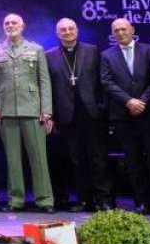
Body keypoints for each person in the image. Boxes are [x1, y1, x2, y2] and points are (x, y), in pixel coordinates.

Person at [100, 17, 150, 215]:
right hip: (123, 115)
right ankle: (143, 202)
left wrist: (142, 100)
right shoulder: (106, 55)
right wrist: (128, 101)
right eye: (116, 31)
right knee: (133, 161)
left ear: (132, 29)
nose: (120, 33)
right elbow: (106, 82)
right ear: (113, 33)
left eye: (124, 29)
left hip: (149, 113)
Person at [0, 14, 55, 213]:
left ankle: (45, 200)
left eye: (14, 22)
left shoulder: (36, 49)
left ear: (22, 26)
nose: (10, 25)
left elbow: (44, 81)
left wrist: (46, 110)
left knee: (39, 159)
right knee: (12, 159)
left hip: (33, 110)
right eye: (6, 23)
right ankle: (15, 200)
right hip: (7, 110)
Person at [45, 18, 111, 212]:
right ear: (57, 34)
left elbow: (102, 81)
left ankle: (105, 199)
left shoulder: (92, 50)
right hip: (67, 115)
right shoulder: (50, 56)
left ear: (77, 30)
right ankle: (85, 199)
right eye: (63, 30)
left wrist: (101, 107)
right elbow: (49, 87)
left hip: (92, 113)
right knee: (77, 160)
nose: (67, 32)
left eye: (70, 28)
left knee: (98, 158)